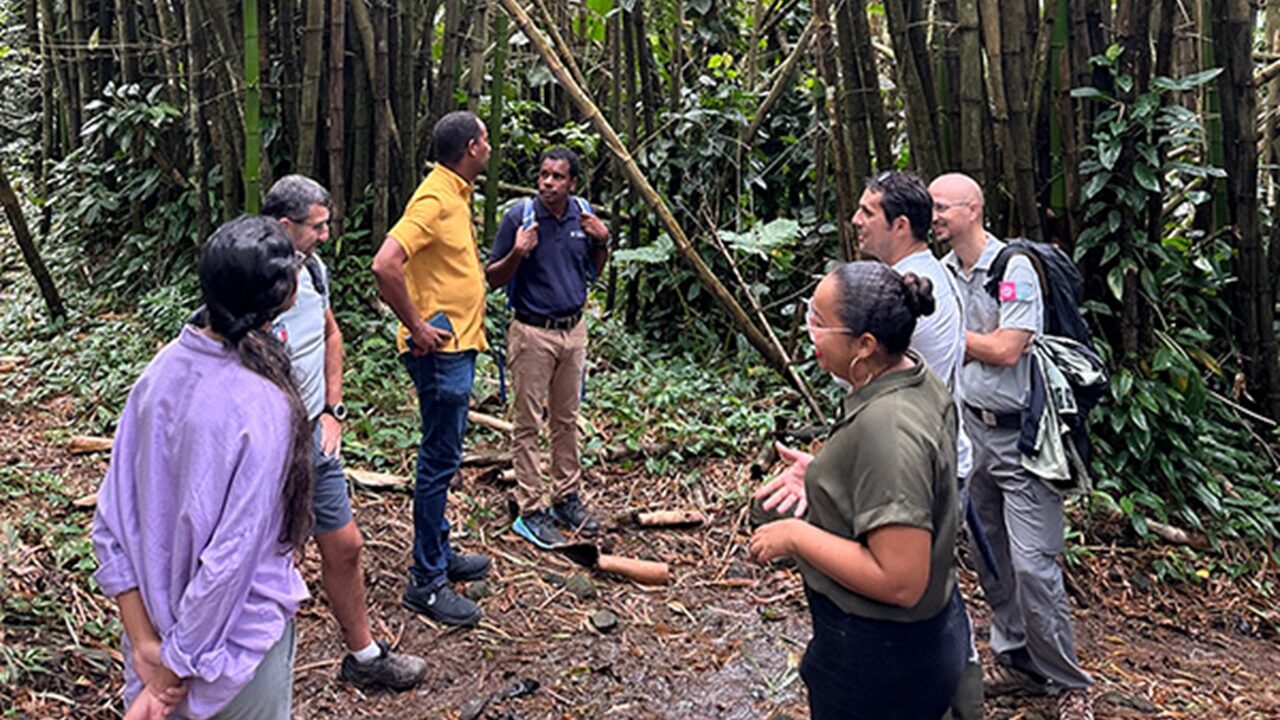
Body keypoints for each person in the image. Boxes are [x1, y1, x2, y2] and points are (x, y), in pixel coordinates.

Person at [93, 217, 312, 719]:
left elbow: (109, 523)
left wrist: (146, 645)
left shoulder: (159, 370)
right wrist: (170, 672)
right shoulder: (265, 403)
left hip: (154, 648)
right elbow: (230, 562)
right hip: (228, 659)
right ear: (282, 295)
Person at [749, 262, 967, 720]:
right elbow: (915, 484)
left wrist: (794, 535)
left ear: (864, 345)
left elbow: (901, 580)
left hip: (881, 656)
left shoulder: (888, 427)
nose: (810, 333)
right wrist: (828, 474)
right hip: (913, 643)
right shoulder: (914, 377)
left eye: (820, 323)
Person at [930, 172, 1095, 720]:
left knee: (1033, 564)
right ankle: (1017, 656)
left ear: (972, 209)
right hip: (970, 431)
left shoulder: (1012, 268)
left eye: (941, 206)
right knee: (988, 553)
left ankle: (1068, 680)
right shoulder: (947, 271)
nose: (933, 215)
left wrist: (949, 339)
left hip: (1020, 436)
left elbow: (1007, 347)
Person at [260, 176, 426, 689]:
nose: (327, 235)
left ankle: (364, 655)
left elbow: (331, 333)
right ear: (284, 226)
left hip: (314, 432)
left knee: (345, 544)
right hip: (265, 443)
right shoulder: (251, 279)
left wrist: (332, 407)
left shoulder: (314, 271)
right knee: (268, 554)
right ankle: (254, 669)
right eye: (318, 226)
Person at [850, 169, 982, 719]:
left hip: (912, 464)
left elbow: (862, 378)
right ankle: (956, 691)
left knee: (910, 592)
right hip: (941, 453)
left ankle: (938, 699)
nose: (856, 220)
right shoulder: (931, 277)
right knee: (933, 585)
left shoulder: (899, 297)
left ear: (900, 225)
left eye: (867, 212)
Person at [372, 110, 494, 627]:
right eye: (484, 139)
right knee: (438, 462)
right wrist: (417, 326)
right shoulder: (433, 197)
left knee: (443, 457)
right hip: (440, 351)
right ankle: (425, 581)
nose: (488, 147)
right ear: (471, 146)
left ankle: (439, 553)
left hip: (458, 346)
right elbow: (385, 263)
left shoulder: (455, 192)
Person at [485, 147, 611, 548]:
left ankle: (566, 497)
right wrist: (518, 252)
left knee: (566, 419)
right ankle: (531, 508)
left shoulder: (583, 215)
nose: (548, 184)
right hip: (531, 331)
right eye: (543, 175)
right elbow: (492, 278)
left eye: (557, 177)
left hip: (573, 331)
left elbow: (592, 270)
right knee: (527, 422)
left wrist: (603, 241)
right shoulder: (517, 218)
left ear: (573, 182)